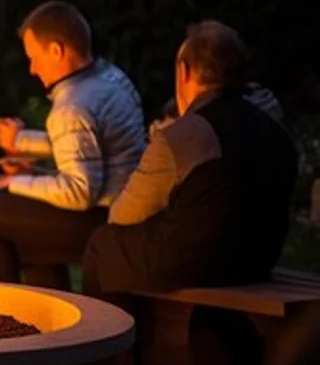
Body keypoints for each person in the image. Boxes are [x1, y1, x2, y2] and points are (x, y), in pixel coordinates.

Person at [83, 21, 298, 295]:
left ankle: (114, 335)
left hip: (201, 263)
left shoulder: (188, 134)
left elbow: (124, 216)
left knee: (104, 245)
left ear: (184, 71)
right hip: (258, 261)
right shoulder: (275, 130)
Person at [0, 1, 146, 289]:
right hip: (125, 206)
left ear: (57, 51)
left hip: (105, 221)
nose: (33, 70)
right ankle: (51, 319)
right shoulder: (110, 77)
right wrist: (22, 142)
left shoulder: (72, 106)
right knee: (25, 232)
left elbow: (78, 193)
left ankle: (0, 320)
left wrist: (13, 182)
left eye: (34, 57)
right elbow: (88, 143)